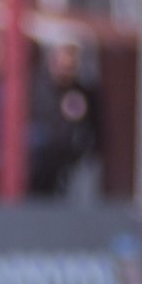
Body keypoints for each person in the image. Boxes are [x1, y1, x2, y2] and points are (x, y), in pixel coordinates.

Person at [32, 41, 100, 200]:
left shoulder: (83, 92)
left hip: (71, 163)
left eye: (72, 63)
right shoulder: (37, 89)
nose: (68, 67)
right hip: (40, 165)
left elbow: (94, 126)